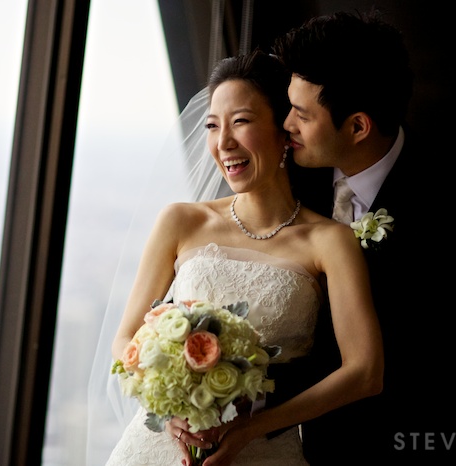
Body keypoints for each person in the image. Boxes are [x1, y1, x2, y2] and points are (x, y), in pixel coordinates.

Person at [102, 49, 384, 466]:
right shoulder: (180, 221)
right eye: (213, 126)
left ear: (284, 131)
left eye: (241, 122)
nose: (223, 143)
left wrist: (251, 429)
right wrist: (171, 408)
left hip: (265, 449)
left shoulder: (330, 242)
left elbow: (364, 373)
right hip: (160, 445)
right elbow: (124, 341)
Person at [272, 11, 456, 463]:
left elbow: (442, 364)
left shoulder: (447, 213)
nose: (285, 124)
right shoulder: (285, 174)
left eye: (302, 114)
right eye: (288, 104)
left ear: (357, 127)